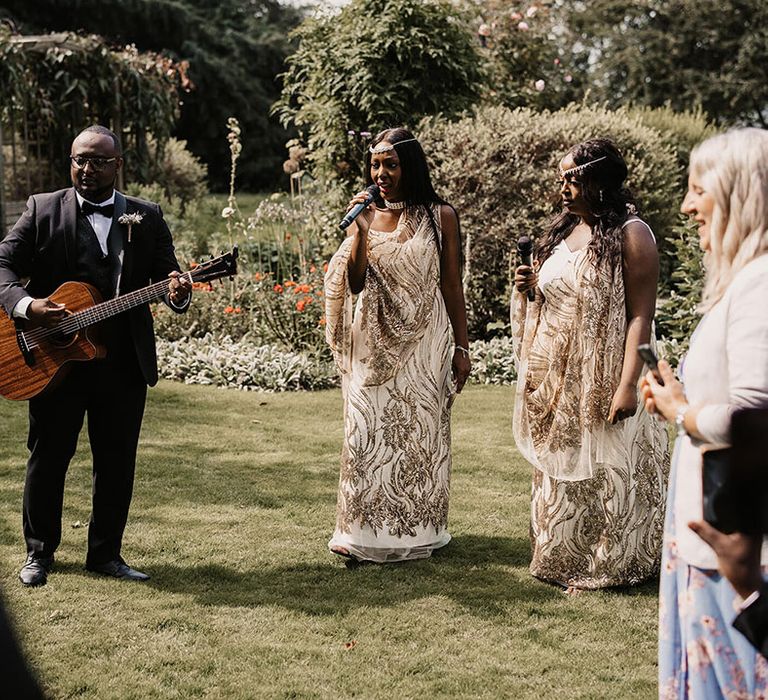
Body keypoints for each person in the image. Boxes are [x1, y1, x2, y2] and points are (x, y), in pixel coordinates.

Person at [0, 125, 192, 587]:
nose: (86, 168)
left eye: (98, 161)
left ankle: (106, 555)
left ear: (117, 165)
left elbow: (169, 276)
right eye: (79, 159)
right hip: (52, 361)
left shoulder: (146, 215)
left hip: (122, 364)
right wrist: (29, 308)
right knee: (48, 457)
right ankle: (39, 555)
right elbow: (2, 263)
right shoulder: (43, 209)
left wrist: (179, 291)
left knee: (116, 460)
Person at [641, 128, 768, 697]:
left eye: (698, 189)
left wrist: (681, 411)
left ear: (739, 190)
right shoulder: (743, 281)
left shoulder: (760, 285)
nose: (687, 206)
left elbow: (756, 416)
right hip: (711, 534)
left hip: (735, 548)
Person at [511, 138, 669, 591]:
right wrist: (529, 289)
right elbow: (556, 298)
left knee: (610, 467)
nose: (563, 187)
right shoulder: (563, 232)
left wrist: (627, 384)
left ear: (599, 182)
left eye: (572, 179)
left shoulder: (631, 234)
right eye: (561, 178)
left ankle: (613, 563)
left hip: (609, 369)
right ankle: (563, 556)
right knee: (565, 468)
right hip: (559, 375)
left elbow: (641, 315)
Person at [324, 127, 470, 563]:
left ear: (410, 166)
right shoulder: (365, 217)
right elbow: (353, 281)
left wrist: (462, 348)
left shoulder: (439, 215)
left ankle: (416, 532)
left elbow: (451, 283)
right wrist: (362, 233)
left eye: (391, 164)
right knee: (366, 434)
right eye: (375, 165)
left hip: (425, 345)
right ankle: (361, 533)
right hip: (371, 345)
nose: (381, 173)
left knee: (420, 438)